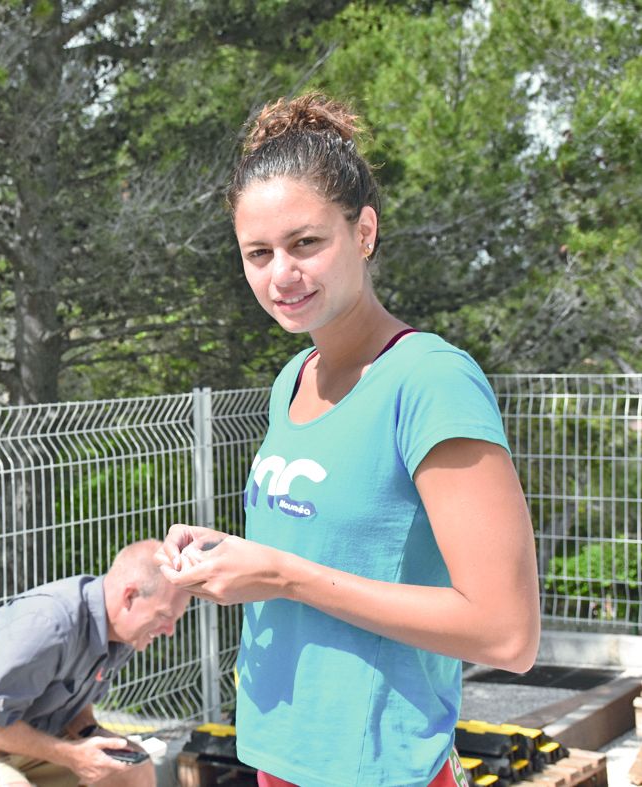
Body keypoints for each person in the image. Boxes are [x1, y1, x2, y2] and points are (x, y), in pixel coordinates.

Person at [157, 94, 541, 787]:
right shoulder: (292, 378)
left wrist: (279, 574)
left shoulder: (430, 382)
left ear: (362, 231)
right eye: (258, 253)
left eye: (306, 242)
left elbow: (505, 632)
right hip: (279, 756)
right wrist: (231, 558)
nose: (282, 274)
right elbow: (326, 548)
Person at [0, 540, 191, 787]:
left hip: (32, 742)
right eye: (165, 616)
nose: (170, 631)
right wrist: (72, 756)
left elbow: (75, 702)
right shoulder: (48, 625)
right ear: (129, 596)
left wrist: (91, 733)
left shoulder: (124, 635)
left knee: (133, 768)